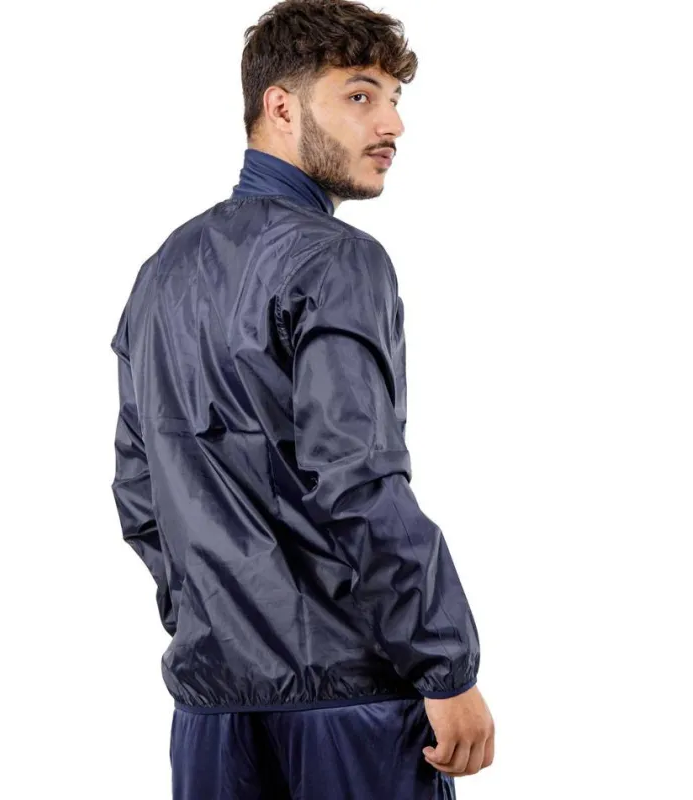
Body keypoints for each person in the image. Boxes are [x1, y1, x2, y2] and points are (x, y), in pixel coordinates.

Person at [109, 0, 495, 796]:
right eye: (360, 95)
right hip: (350, 708)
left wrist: (218, 620)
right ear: (280, 107)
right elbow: (357, 481)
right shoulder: (337, 261)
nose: (391, 123)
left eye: (395, 98)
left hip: (211, 715)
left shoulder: (162, 271)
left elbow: (140, 492)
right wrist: (445, 665)